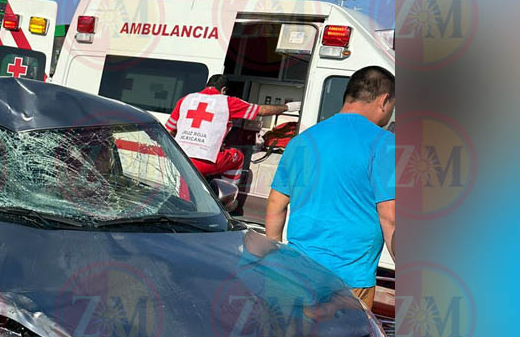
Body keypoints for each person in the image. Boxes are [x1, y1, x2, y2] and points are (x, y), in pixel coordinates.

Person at [264, 66, 396, 309]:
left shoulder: (302, 141)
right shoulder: (385, 144)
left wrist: (275, 255)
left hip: (296, 273)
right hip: (348, 282)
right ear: (384, 100)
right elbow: (391, 218)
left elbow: (277, 203)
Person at [166, 74, 299, 184]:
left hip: (179, 159)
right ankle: (227, 198)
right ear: (223, 90)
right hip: (205, 162)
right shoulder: (228, 102)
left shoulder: (186, 99)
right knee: (238, 157)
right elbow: (262, 110)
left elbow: (169, 129)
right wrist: (288, 107)